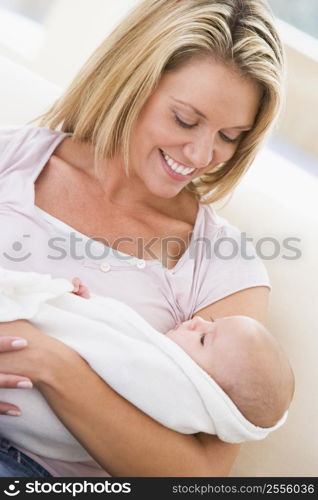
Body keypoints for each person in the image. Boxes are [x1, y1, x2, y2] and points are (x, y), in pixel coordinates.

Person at [0, 0, 286, 477]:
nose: (200, 154)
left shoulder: (222, 262)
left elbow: (200, 479)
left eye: (230, 136)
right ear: (130, 82)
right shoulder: (10, 160)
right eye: (185, 120)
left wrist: (52, 364)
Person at [0, 269, 294, 465]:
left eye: (205, 338)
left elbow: (106, 355)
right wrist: (78, 306)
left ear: (208, 389)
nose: (198, 321)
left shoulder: (171, 387)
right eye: (210, 323)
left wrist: (50, 344)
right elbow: (104, 335)